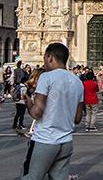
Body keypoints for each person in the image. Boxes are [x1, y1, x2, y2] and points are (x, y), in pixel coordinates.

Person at [23, 43, 85, 180]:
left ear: (50, 57)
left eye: (44, 58)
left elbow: (37, 113)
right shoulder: (77, 82)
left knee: (31, 177)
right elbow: (77, 118)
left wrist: (28, 104)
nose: (44, 62)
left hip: (45, 140)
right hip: (66, 142)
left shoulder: (46, 77)